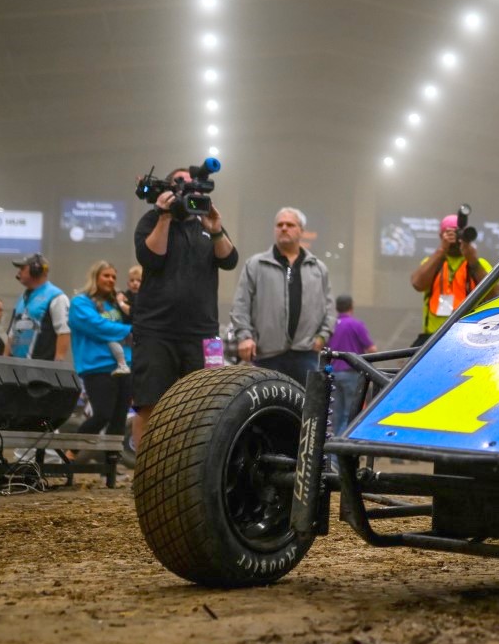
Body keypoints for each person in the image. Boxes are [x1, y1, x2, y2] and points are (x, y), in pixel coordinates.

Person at [131, 166, 238, 443]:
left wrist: (215, 230)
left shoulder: (206, 224)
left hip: (202, 332)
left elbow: (229, 260)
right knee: (149, 404)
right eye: (180, 182)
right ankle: (145, 478)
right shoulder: (151, 220)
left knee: (204, 406)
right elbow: (151, 258)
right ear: (168, 188)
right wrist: (164, 216)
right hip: (156, 330)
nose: (187, 187)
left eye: (192, 183)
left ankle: (195, 474)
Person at [230, 207, 335, 384]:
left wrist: (322, 337)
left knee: (306, 408)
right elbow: (241, 305)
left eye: (290, 224)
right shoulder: (256, 265)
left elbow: (330, 309)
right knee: (268, 408)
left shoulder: (318, 268)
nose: (284, 228)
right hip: (266, 355)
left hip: (306, 355)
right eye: (279, 224)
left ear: (301, 231)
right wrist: (245, 337)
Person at [409, 214, 499, 344]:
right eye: (451, 233)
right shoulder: (432, 262)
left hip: (467, 335)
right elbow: (417, 284)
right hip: (431, 337)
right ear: (441, 236)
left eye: (459, 234)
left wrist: (472, 260)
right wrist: (442, 250)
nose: (456, 238)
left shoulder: (479, 263)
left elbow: (494, 294)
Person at [68, 261, 133, 437]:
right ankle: (71, 455)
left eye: (113, 276)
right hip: (97, 368)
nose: (111, 279)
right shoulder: (80, 302)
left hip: (124, 366)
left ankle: (109, 464)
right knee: (103, 415)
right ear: (95, 277)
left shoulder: (116, 304)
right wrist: (129, 331)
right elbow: (97, 326)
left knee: (119, 421)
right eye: (106, 275)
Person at [5, 253, 71, 362]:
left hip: (41, 370)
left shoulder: (57, 297)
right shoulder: (21, 298)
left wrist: (58, 365)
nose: (19, 272)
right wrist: (4, 361)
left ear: (36, 270)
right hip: (15, 369)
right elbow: (12, 334)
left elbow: (64, 331)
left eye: (22, 268)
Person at [327, 295, 377, 436]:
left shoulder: (331, 326)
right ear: (351, 307)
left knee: (335, 416)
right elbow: (372, 349)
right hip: (351, 374)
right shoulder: (356, 325)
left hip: (334, 374)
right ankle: (342, 450)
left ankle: (333, 452)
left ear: (337, 307)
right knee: (349, 415)